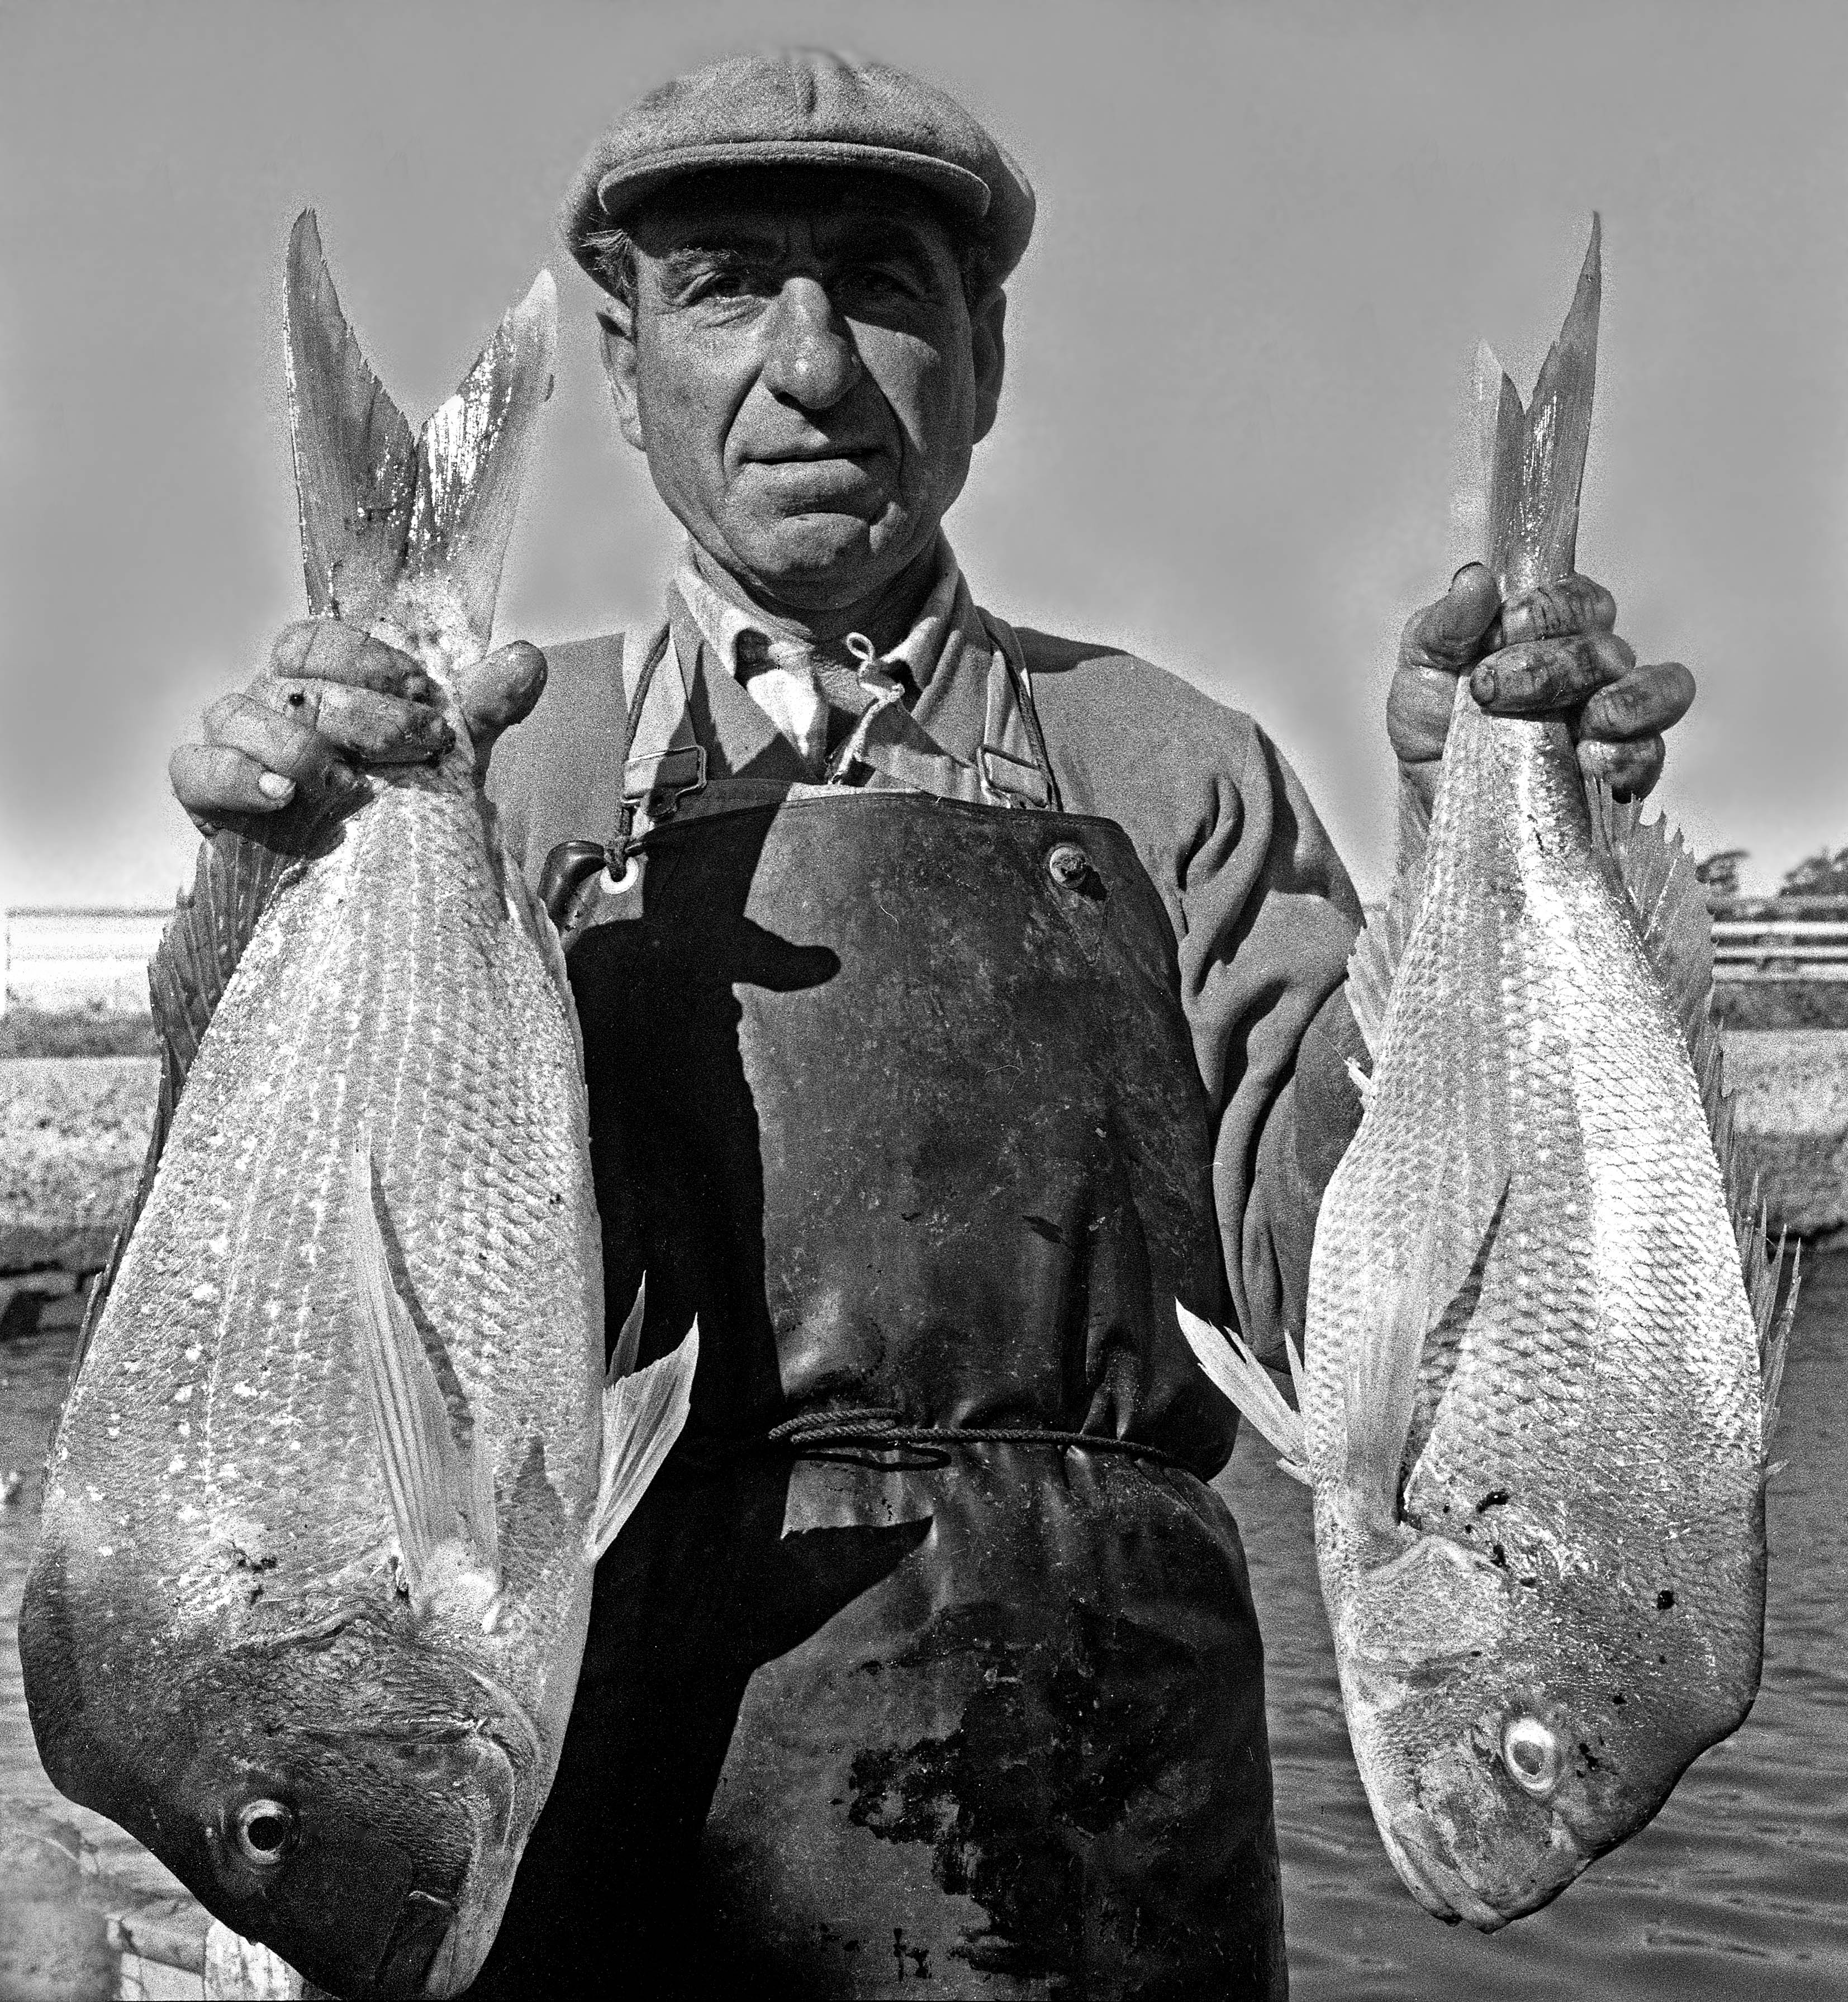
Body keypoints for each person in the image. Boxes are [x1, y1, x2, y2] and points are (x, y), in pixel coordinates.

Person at [168, 49, 1694, 2002]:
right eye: (727, 284)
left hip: (1107, 1839)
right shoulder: (488, 766)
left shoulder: (1175, 763)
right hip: (584, 1818)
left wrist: (1519, 856)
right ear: (621, 364)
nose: (810, 364)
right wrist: (253, 895)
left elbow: (1349, 1304)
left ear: (982, 357)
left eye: (881, 286)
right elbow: (263, 1298)